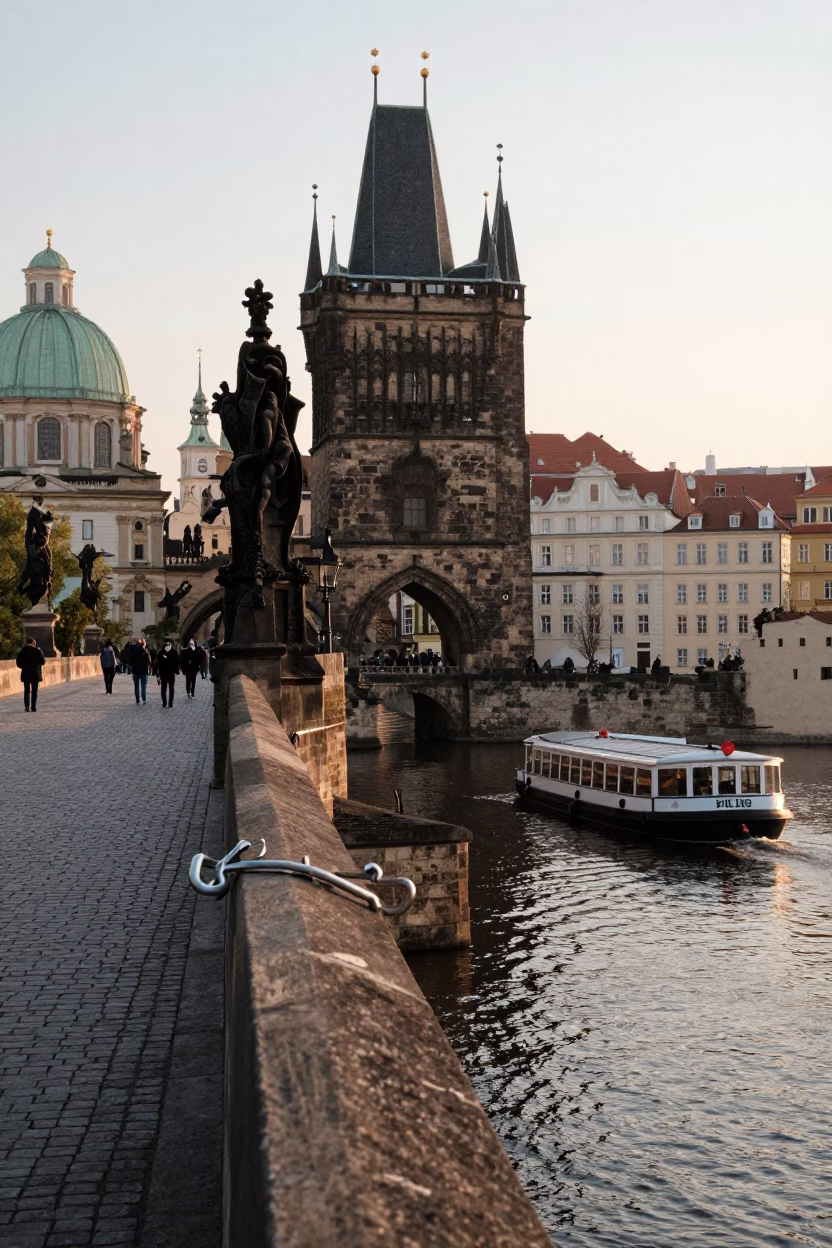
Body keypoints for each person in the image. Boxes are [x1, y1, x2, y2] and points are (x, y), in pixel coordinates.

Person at [16, 636, 45, 712]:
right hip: (35, 673)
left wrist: (24, 667)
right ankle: (33, 707)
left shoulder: (22, 651)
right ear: (33, 643)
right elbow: (43, 661)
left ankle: (26, 707)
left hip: (26, 673)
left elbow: (18, 663)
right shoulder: (37, 651)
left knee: (27, 691)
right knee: (34, 691)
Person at [154, 640, 181, 708]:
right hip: (170, 673)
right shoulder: (173, 652)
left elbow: (157, 664)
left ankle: (165, 702)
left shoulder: (161, 653)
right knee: (170, 688)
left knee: (164, 688)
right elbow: (177, 662)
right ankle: (169, 702)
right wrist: (177, 670)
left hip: (164, 673)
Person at [130, 639, 152, 704]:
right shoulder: (145, 652)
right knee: (143, 686)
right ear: (144, 644)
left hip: (135, 671)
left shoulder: (134, 652)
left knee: (136, 686)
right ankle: (144, 699)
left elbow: (131, 662)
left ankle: (137, 699)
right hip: (144, 671)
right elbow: (149, 661)